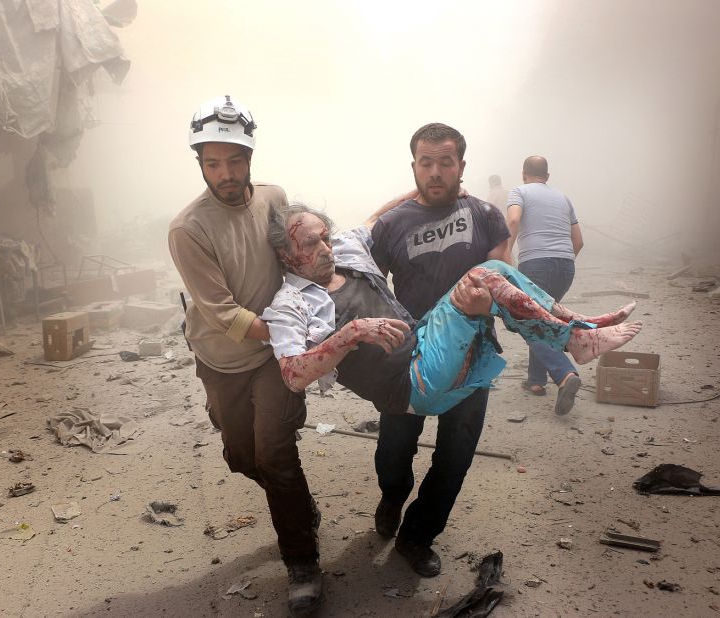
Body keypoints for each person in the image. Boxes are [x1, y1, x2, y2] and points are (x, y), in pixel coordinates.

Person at [261, 202, 642, 418]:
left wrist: (424, 189)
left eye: (325, 237)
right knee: (483, 276)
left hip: (425, 344)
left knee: (492, 271)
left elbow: (379, 216)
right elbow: (294, 376)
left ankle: (578, 330)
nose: (326, 248)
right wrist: (352, 332)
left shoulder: (345, 251)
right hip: (410, 385)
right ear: (286, 255)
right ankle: (576, 337)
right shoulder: (289, 304)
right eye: (312, 244)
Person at [166, 95, 322, 616]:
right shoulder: (189, 228)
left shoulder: (274, 196)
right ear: (200, 165)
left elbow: (300, 250)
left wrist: (324, 303)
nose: (225, 173)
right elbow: (223, 314)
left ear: (250, 157)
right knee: (241, 457)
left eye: (234, 161)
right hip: (222, 357)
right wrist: (290, 337)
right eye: (213, 163)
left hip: (271, 362)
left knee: (275, 452)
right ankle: (297, 503)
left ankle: (302, 563)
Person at [356, 122, 511, 577]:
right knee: (393, 449)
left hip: (473, 357)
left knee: (455, 457)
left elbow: (504, 270)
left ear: (462, 165)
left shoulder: (485, 216)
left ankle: (417, 537)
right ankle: (391, 495)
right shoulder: (393, 224)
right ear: (414, 167)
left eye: (446, 162)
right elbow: (368, 282)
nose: (437, 172)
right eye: (427, 163)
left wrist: (494, 290)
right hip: (409, 358)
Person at [505, 155, 586, 415]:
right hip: (565, 266)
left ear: (523, 173)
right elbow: (579, 241)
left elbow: (514, 220)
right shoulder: (563, 198)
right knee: (541, 320)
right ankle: (536, 381)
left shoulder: (519, 191)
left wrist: (506, 253)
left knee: (529, 322)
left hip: (535, 265)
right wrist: (562, 260)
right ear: (547, 177)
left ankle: (564, 374)